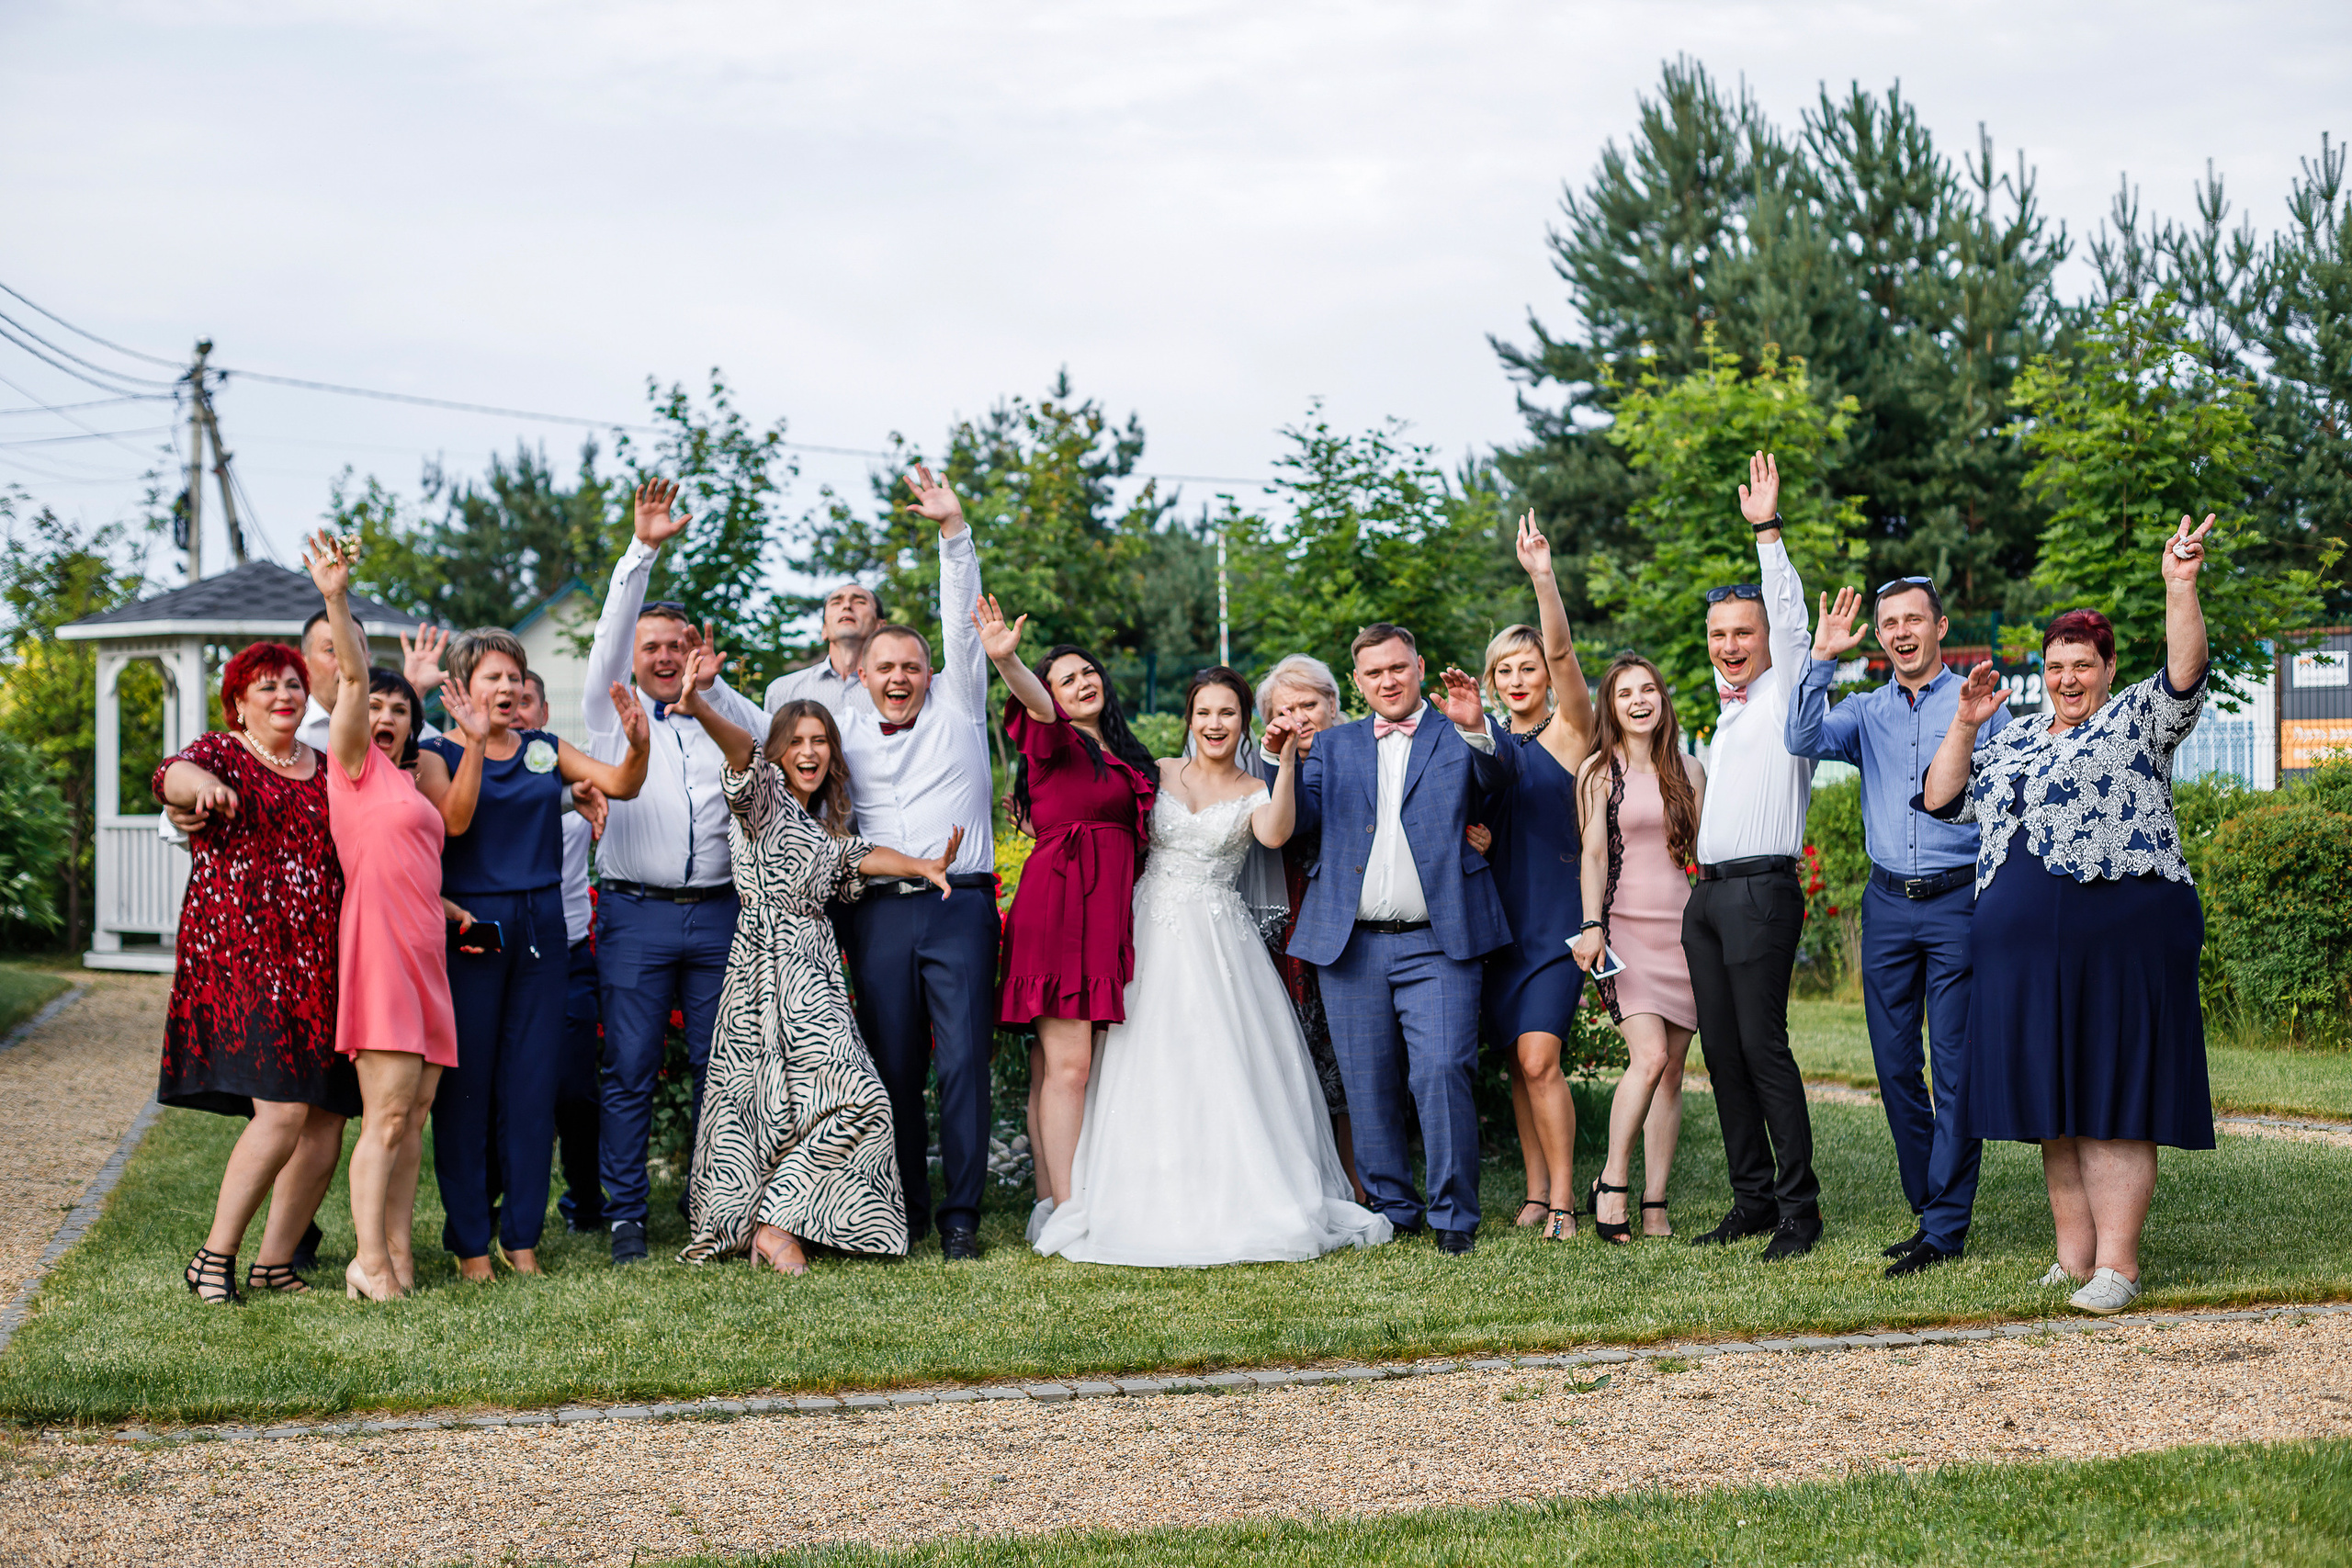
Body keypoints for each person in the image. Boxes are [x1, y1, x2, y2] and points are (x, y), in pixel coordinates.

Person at [1921, 516, 2217, 1317]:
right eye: (2055, 667)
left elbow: (2185, 672)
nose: (2066, 679)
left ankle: (2116, 1266)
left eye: (2082, 665)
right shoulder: (2011, 740)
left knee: (2112, 1092)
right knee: (2055, 1101)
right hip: (2025, 956)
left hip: (2123, 939)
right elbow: (1943, 798)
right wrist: (1964, 722)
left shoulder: (2136, 722)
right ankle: (2072, 1257)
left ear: (2109, 668)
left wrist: (2178, 586)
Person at [1035, 668, 1391, 1265]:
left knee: (1219, 1057)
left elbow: (1275, 833)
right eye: (1203, 712)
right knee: (1145, 1058)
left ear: (1243, 721)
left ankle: (1234, 1189)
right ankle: (1134, 1185)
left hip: (1219, 937)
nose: (1214, 724)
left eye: (1227, 713)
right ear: (1189, 719)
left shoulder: (1257, 787)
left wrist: (1283, 766)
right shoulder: (1159, 773)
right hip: (1147, 930)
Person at [676, 660, 965, 1272]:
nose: (810, 751)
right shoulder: (763, 800)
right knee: (795, 1100)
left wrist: (922, 865)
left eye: (821, 741)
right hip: (764, 967)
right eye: (797, 741)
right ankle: (776, 1228)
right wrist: (701, 707)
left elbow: (858, 856)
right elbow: (741, 754)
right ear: (778, 752)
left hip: (813, 971)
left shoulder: (821, 823)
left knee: (844, 1096)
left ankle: (775, 1220)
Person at [1789, 576, 2012, 1277]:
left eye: (1915, 618)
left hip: (1958, 903)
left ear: (1940, 626)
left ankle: (1944, 1228)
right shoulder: (1865, 712)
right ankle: (1929, 1203)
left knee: (1953, 1068)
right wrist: (1821, 657)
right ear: (1881, 636)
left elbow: (2007, 797)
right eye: (1890, 622)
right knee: (1893, 1069)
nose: (1902, 630)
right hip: (1886, 903)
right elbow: (1800, 736)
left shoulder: (1979, 705)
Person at [582, 479, 772, 1265]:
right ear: (634, 657)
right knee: (629, 1066)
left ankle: (714, 1206)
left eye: (676, 646)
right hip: (635, 913)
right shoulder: (607, 713)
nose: (663, 658)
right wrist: (644, 549)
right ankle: (627, 1215)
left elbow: (769, 745)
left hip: (720, 912)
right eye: (652, 648)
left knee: (718, 1068)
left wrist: (709, 686)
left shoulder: (723, 710)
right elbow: (612, 627)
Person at [424, 628, 650, 1281]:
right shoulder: (436, 752)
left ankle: (521, 1239)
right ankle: (471, 1244)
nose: (508, 689)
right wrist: (471, 741)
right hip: (471, 930)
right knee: (467, 1093)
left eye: (514, 678)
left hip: (543, 928)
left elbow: (621, 785)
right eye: (492, 678)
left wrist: (637, 743)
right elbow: (455, 821)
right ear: (463, 687)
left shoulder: (544, 751)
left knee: (531, 1091)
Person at [302, 532, 487, 1301]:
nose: (382, 713)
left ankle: (400, 1256)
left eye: (396, 707)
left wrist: (444, 904)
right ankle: (366, 1260)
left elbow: (429, 846)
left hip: (426, 954)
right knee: (382, 1116)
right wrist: (336, 596)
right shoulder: (349, 765)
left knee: (413, 1117)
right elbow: (349, 669)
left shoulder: (412, 784)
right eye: (372, 703)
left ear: (411, 724)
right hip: (377, 953)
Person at [1290, 625, 1511, 1255]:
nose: (1387, 680)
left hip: (1438, 941)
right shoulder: (1331, 747)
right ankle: (1392, 1208)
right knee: (1367, 1080)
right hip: (1351, 943)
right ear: (1356, 682)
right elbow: (1297, 820)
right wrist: (1286, 760)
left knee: (1443, 1070)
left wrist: (1476, 725)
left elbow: (1500, 781)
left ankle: (1452, 1216)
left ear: (1418, 667)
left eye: (1398, 667)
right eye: (1373, 672)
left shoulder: (1454, 732)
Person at [153, 641, 356, 1303]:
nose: (282, 695)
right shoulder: (222, 753)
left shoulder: (327, 766)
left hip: (322, 965)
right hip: (245, 962)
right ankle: (214, 1258)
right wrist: (203, 788)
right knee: (282, 1110)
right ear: (238, 702)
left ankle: (274, 1262)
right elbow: (172, 776)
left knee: (327, 1118)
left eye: (293, 684)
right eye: (265, 686)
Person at [836, 466, 1002, 1259]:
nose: (899, 676)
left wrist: (953, 531)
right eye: (884, 667)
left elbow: (961, 619)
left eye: (911, 665)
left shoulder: (961, 703)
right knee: (893, 1062)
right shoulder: (837, 723)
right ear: (861, 674)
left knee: (966, 1059)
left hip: (959, 906)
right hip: (879, 910)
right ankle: (900, 1207)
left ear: (929, 672)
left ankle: (962, 1217)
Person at [1679, 452, 1824, 1261]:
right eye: (1719, 635)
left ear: (1768, 637)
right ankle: (1753, 1200)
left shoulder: (1789, 690)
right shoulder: (1729, 711)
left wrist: (1767, 530)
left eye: (1744, 632)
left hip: (1762, 892)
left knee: (1764, 1048)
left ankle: (1801, 1213)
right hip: (1709, 899)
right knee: (1722, 1050)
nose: (1731, 645)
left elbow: (1792, 616)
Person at [978, 601, 1159, 1238]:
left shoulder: (1127, 754)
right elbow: (1034, 704)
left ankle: (1050, 1201)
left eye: (1089, 673)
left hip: (1106, 915)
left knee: (1056, 1068)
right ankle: (1071, 1211)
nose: (1082, 683)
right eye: (1066, 678)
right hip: (1060, 910)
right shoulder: (1055, 738)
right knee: (1070, 1067)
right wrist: (1009, 660)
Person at [1478, 512, 1598, 1241]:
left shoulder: (1571, 730)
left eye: (1530, 668)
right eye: (1507, 671)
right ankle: (1531, 1189)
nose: (1521, 679)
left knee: (1539, 1054)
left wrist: (1542, 580)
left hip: (1557, 923)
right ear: (1492, 682)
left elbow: (1563, 650)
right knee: (1516, 1067)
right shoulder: (1483, 743)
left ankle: (1564, 1200)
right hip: (1499, 924)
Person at [1572, 654, 1706, 1243]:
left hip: (1685, 934)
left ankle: (1655, 1204)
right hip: (1623, 931)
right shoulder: (1597, 772)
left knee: (1672, 1073)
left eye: (1648, 688)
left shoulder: (1692, 770)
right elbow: (1594, 855)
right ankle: (1612, 1183)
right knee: (1648, 1058)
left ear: (1662, 698)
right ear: (1612, 705)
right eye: (1625, 692)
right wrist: (1590, 925)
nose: (1638, 700)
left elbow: (1707, 854)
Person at [1248, 655, 1367, 1204]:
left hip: (1360, 920)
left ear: (1332, 703)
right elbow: (1292, 824)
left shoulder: (1362, 750)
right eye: (1284, 709)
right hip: (1290, 926)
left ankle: (1361, 1179)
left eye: (1309, 705)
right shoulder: (1267, 764)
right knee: (1302, 1055)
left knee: (1352, 1057)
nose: (1298, 717)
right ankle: (1312, 1180)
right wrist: (1280, 761)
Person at [515, 671, 608, 1236]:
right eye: (506, 699)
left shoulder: (572, 775)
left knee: (575, 1088)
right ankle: (497, 1205)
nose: (517, 710)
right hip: (495, 951)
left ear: (545, 713)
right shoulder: (474, 778)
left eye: (527, 700)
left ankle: (585, 1202)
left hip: (568, 951)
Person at [764, 581, 882, 717]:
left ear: (880, 627)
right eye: (836, 602)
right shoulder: (782, 691)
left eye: (860, 602)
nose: (847, 606)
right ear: (824, 629)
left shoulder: (899, 690)